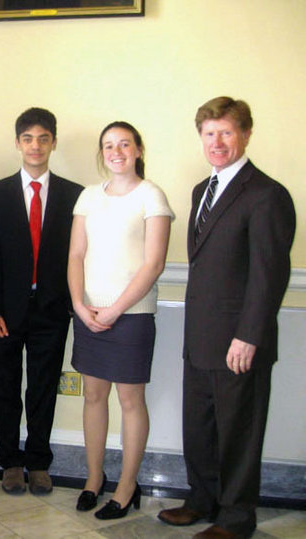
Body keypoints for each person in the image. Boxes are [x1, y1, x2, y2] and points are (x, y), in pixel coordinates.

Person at [157, 98, 295, 539]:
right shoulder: (202, 190)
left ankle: (235, 518)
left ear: (246, 134)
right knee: (199, 427)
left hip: (239, 343)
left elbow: (269, 275)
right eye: (209, 134)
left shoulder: (267, 194)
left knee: (239, 433)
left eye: (226, 133)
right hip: (199, 339)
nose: (216, 142)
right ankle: (202, 499)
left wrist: (249, 336)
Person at [68, 122, 173, 519]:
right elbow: (76, 255)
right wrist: (80, 304)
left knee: (130, 402)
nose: (116, 151)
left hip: (131, 317)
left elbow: (154, 263)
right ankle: (94, 479)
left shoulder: (152, 196)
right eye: (109, 145)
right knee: (93, 396)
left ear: (139, 149)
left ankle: (127, 486)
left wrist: (115, 310)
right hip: (89, 314)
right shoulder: (89, 197)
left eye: (124, 144)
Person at [0, 107, 83, 495]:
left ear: (53, 142)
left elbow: (79, 254)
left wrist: (73, 302)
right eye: (28, 138)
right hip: (5, 311)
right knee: (4, 386)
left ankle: (39, 461)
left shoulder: (75, 195)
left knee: (41, 387)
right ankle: (9, 461)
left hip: (53, 310)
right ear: (18, 143)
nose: (35, 146)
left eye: (43, 138)